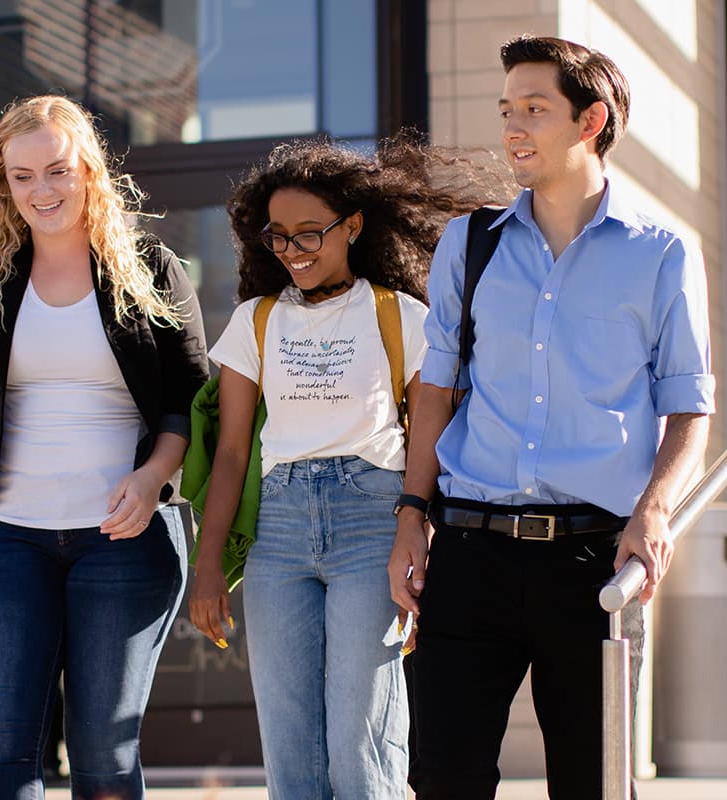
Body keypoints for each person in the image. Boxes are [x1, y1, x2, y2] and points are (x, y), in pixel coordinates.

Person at [388, 35, 714, 800]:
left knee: (590, 784)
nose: (513, 128)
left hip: (591, 565)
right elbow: (435, 391)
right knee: (442, 779)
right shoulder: (468, 246)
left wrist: (655, 509)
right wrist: (411, 513)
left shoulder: (662, 254)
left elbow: (690, 406)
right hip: (468, 552)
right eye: (507, 110)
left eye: (535, 109)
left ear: (591, 120)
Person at [0, 95, 208, 799]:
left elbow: (190, 395)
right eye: (21, 177)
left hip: (124, 537)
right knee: (0, 754)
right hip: (10, 539)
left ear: (89, 170)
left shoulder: (147, 266)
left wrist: (153, 477)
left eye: (57, 171)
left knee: (103, 758)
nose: (42, 191)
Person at [188, 136, 509, 799]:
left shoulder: (402, 315)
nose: (294, 251)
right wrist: (209, 562)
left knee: (360, 749)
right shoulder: (256, 320)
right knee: (291, 750)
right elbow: (231, 452)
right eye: (279, 237)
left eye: (310, 233)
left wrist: (413, 531)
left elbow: (429, 437)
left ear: (353, 226)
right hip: (278, 532)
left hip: (373, 521)